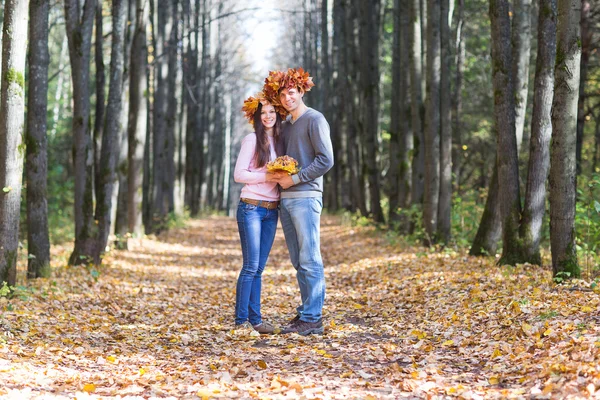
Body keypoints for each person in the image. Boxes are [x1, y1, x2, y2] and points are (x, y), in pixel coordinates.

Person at [265, 68, 334, 336]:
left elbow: (325, 159)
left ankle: (313, 318)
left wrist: (296, 180)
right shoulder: (286, 126)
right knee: (298, 260)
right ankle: (307, 312)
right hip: (287, 199)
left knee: (310, 257)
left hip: (306, 197)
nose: (287, 98)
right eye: (282, 94)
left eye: (291, 92)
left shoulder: (315, 119)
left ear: (301, 91)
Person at [233, 93, 285, 334]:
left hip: (271, 211)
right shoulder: (252, 139)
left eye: (272, 112)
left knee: (259, 268)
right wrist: (268, 176)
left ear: (278, 115)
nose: (268, 116)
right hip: (251, 207)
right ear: (257, 116)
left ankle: (256, 321)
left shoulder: (281, 142)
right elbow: (239, 175)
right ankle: (241, 322)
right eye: (263, 113)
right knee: (250, 266)